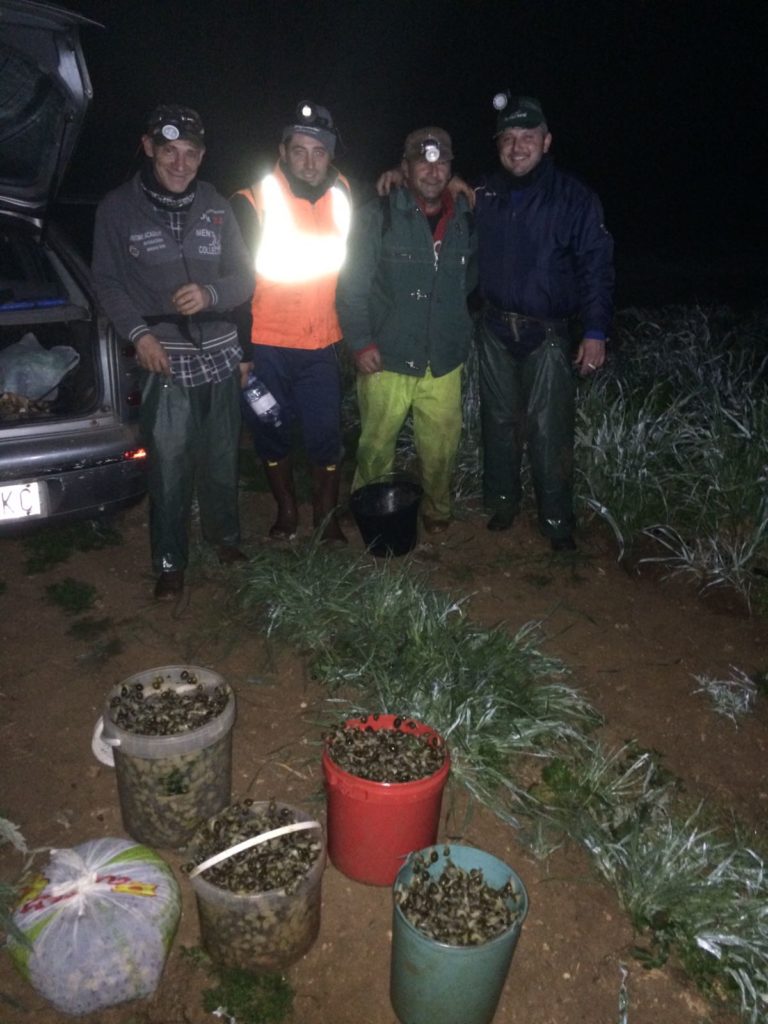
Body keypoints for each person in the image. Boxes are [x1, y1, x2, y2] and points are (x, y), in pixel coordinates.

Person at [377, 94, 614, 551]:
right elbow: (431, 189)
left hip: (548, 332)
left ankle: (557, 521)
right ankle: (502, 504)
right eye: (508, 138)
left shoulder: (576, 199)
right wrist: (394, 175)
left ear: (547, 141)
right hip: (494, 329)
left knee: (550, 428)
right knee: (498, 421)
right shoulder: (481, 194)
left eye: (528, 137)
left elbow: (597, 268)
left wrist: (596, 330)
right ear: (499, 146)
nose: (518, 146)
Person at [92, 105, 254, 599]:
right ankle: (169, 560)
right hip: (164, 354)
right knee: (170, 460)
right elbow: (106, 281)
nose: (180, 164)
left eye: (190, 154)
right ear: (148, 148)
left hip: (221, 350)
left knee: (223, 454)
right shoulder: (117, 208)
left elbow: (245, 277)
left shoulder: (217, 206)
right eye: (169, 152)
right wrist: (139, 335)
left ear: (202, 156)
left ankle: (225, 537)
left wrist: (212, 295)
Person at [336, 127, 477, 534]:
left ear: (451, 169)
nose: (432, 172)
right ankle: (368, 509)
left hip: (445, 357)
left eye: (441, 163)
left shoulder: (467, 217)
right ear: (405, 167)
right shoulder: (376, 215)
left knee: (442, 446)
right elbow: (352, 287)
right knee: (376, 444)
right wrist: (360, 343)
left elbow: (470, 283)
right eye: (423, 162)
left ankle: (437, 511)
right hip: (386, 355)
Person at [231, 101, 352, 543]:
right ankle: (285, 509)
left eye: (319, 152)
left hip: (322, 343)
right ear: (282, 151)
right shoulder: (251, 200)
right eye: (299, 150)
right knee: (270, 430)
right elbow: (234, 286)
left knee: (326, 436)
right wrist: (242, 355)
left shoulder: (344, 194)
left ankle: (326, 512)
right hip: (267, 347)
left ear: (331, 156)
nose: (309, 161)